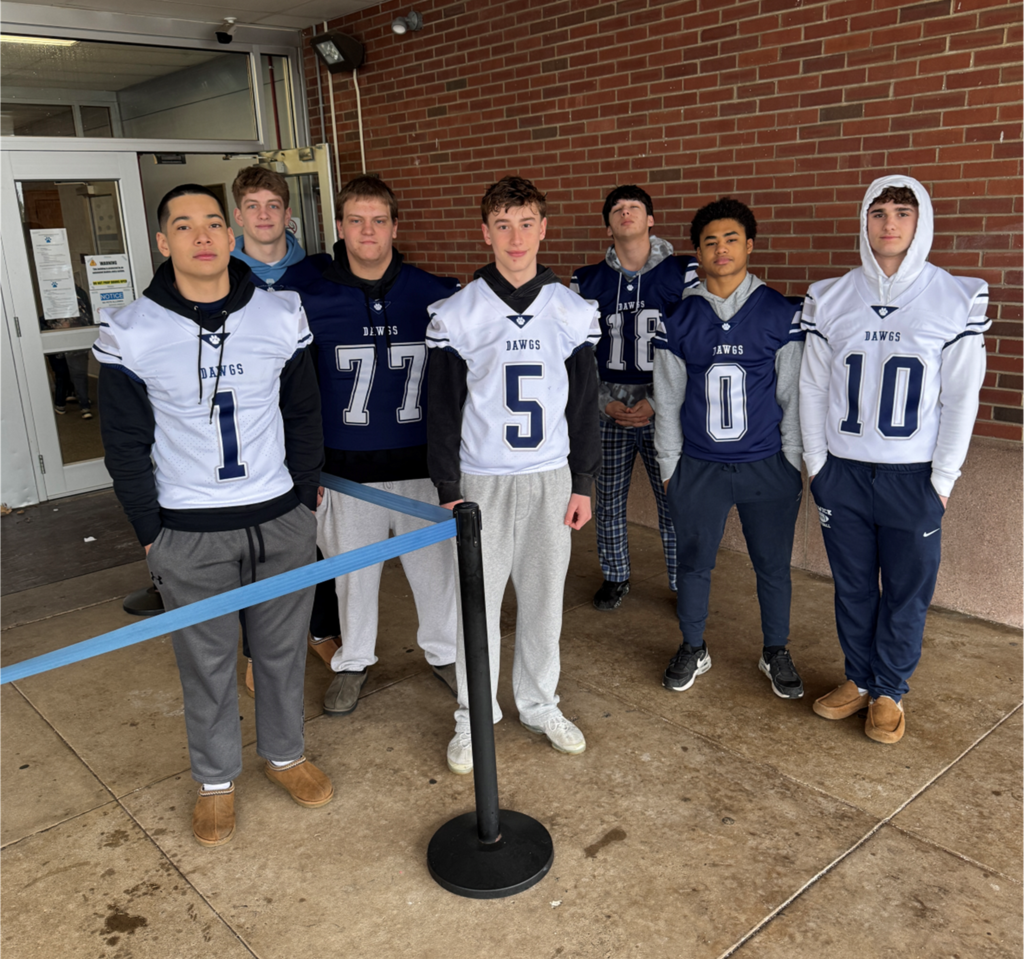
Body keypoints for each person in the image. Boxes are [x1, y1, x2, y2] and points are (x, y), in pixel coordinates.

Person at [93, 184, 332, 847]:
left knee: (282, 652)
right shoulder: (131, 330)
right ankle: (216, 779)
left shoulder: (282, 312)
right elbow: (124, 442)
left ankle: (285, 754)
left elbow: (304, 413)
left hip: (277, 513)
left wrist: (302, 497)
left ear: (230, 236)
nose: (201, 235)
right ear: (163, 242)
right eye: (183, 224)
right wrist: (150, 530)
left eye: (212, 222)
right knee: (205, 661)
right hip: (189, 526)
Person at [800, 175, 990, 744]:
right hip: (845, 472)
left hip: (913, 476)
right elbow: (812, 387)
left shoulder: (957, 296)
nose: (889, 223)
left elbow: (961, 395)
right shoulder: (829, 296)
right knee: (853, 585)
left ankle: (890, 690)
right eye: (878, 211)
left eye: (902, 213)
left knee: (907, 589)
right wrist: (817, 463)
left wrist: (943, 478)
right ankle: (859, 677)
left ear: (920, 222)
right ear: (864, 221)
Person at [426, 175, 601, 774]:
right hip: (483, 481)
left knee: (544, 602)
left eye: (526, 223)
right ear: (485, 232)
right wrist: (449, 490)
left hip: (550, 477)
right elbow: (442, 410)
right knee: (474, 605)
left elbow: (583, 405)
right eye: (503, 225)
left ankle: (538, 703)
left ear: (544, 228)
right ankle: (473, 719)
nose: (516, 236)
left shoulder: (570, 309)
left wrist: (584, 481)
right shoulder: (459, 312)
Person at [302, 175, 461, 717]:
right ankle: (354, 659)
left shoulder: (436, 293)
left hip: (421, 466)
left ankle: (444, 652)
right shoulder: (307, 301)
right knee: (352, 580)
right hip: (345, 472)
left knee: (437, 573)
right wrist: (307, 472)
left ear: (395, 226)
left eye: (378, 220)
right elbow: (293, 395)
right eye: (355, 220)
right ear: (340, 228)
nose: (367, 231)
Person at [654, 197, 806, 700]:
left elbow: (791, 394)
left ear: (750, 246)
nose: (721, 249)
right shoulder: (678, 318)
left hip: (766, 465)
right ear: (697, 251)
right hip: (700, 466)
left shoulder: (781, 313)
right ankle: (693, 645)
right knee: (694, 563)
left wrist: (792, 460)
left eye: (732, 239)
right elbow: (669, 398)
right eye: (711, 241)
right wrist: (670, 464)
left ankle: (775, 649)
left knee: (772, 564)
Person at [229, 165, 339, 686]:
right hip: (248, 430)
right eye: (253, 206)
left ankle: (321, 630)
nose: (264, 215)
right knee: (256, 545)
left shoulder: (321, 272)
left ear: (288, 213)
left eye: (273, 205)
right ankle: (257, 650)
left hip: (309, 423)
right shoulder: (218, 275)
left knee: (313, 533)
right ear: (238, 215)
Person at [571, 185, 697, 610]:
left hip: (666, 407)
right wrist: (602, 399)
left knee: (674, 502)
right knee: (607, 500)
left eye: (635, 208)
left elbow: (696, 340)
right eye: (617, 210)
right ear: (608, 224)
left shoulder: (684, 272)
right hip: (608, 406)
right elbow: (576, 351)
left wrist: (660, 402)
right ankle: (616, 575)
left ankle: (682, 582)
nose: (626, 214)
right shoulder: (586, 280)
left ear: (651, 220)